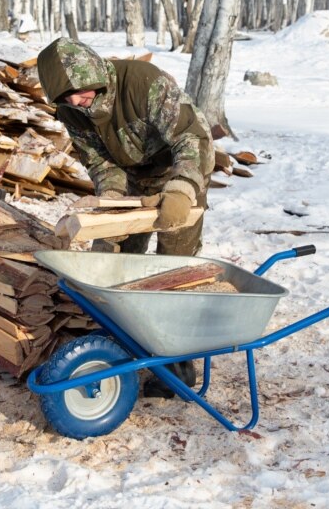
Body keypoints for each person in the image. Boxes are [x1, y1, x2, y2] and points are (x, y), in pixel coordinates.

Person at [37, 37, 215, 397]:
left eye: (79, 90)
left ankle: (176, 367)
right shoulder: (72, 110)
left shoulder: (144, 83)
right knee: (113, 260)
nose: (75, 101)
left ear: (96, 74)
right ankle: (122, 347)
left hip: (179, 173)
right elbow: (100, 162)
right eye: (64, 96)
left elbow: (193, 138)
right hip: (133, 178)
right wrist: (113, 201)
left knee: (172, 270)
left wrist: (181, 189)